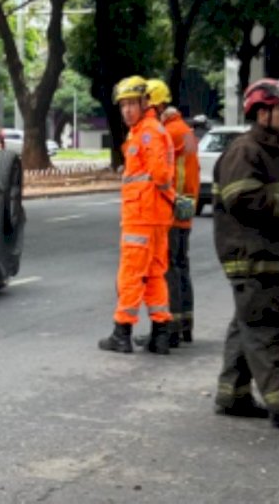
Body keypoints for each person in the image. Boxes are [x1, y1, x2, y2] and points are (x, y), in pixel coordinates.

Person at [212, 78, 279, 427]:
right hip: (250, 255)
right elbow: (241, 198)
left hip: (266, 253)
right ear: (263, 112)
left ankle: (232, 394)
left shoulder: (273, 150)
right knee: (263, 329)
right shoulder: (245, 150)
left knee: (247, 320)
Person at [98, 76, 175, 355]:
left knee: (130, 275)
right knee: (155, 275)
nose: (128, 110)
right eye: (124, 105)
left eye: (133, 104)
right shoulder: (147, 129)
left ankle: (122, 332)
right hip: (153, 216)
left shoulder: (147, 132)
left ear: (145, 103)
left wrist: (162, 194)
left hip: (142, 216)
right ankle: (161, 333)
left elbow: (161, 174)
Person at [138, 79, 200, 347]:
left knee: (168, 269)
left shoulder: (167, 133)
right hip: (186, 207)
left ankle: (170, 327)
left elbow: (164, 175)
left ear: (158, 104)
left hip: (172, 209)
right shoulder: (184, 130)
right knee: (181, 266)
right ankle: (185, 324)